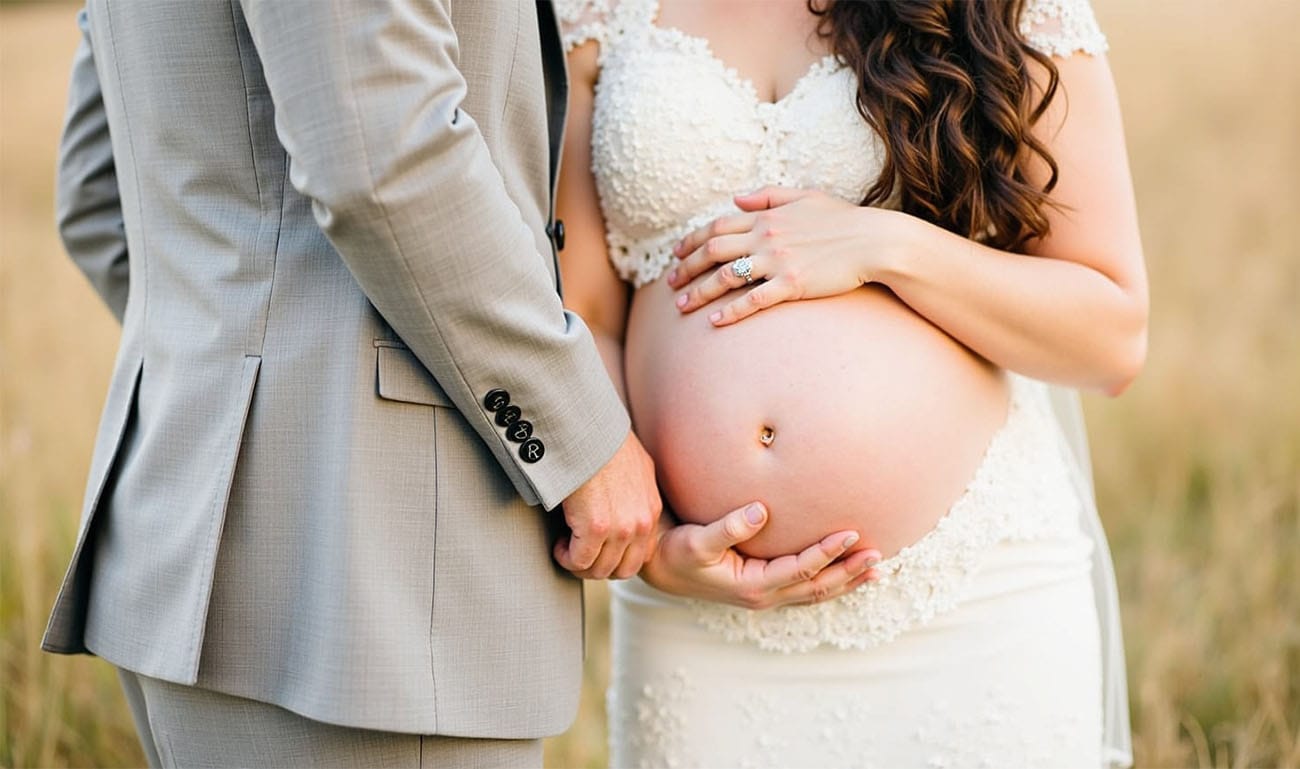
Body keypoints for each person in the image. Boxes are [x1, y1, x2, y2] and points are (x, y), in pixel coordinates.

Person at [43, 2, 676, 766]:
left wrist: (235, 375)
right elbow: (382, 156)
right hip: (373, 587)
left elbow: (95, 187)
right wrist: (579, 435)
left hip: (191, 538)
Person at [555, 0, 1146, 766]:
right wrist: (656, 546)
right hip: (701, 624)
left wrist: (882, 243)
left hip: (970, 599)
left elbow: (1113, 331)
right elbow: (587, 311)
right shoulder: (597, 13)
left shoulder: (1003, 10)